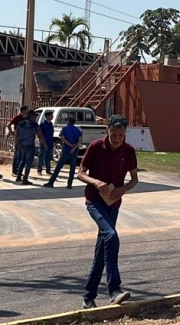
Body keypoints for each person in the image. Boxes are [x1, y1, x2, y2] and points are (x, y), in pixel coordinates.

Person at [76, 114, 137, 309]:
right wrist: (96, 182)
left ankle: (88, 297)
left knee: (103, 249)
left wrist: (124, 188)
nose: (118, 139)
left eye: (121, 135)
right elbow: (80, 173)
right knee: (111, 236)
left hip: (114, 203)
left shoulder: (128, 151)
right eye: (114, 135)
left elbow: (134, 179)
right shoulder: (95, 147)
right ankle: (114, 290)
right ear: (107, 132)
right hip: (94, 201)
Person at [45, 115, 83, 189]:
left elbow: (62, 138)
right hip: (74, 151)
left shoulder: (65, 129)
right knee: (72, 168)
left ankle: (51, 182)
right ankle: (69, 184)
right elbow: (79, 141)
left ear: (68, 121)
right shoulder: (78, 130)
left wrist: (70, 145)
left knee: (59, 167)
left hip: (66, 150)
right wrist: (74, 147)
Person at [13, 109, 40, 185]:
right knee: (28, 162)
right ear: (31, 117)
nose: (35, 118)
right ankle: (25, 178)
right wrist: (44, 143)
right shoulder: (34, 124)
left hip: (22, 144)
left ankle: (18, 176)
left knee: (22, 160)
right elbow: (40, 134)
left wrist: (16, 143)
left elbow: (16, 134)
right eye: (34, 116)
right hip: (30, 145)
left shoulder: (21, 123)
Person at [37, 110, 56, 175]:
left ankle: (48, 170)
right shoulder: (42, 125)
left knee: (48, 157)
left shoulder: (51, 124)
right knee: (41, 156)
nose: (52, 116)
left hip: (50, 142)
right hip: (44, 142)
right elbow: (39, 134)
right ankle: (39, 169)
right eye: (51, 115)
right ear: (47, 116)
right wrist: (43, 142)